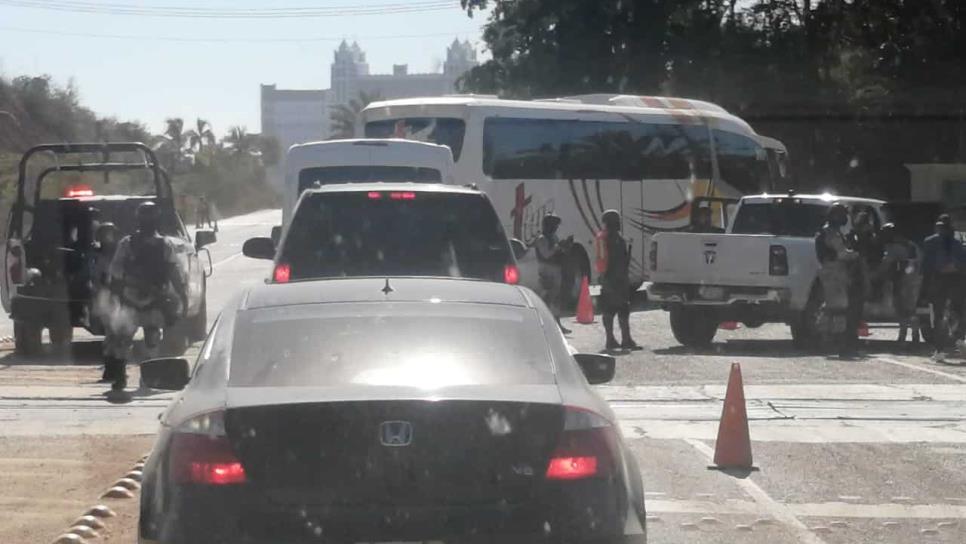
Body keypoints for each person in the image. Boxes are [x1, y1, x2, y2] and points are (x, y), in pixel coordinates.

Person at [102, 202, 188, 391]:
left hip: (143, 299)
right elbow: (175, 273)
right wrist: (182, 295)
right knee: (140, 340)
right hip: (141, 300)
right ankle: (127, 378)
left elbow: (115, 272)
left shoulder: (130, 243)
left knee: (137, 340)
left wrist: (116, 293)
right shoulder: (160, 244)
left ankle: (128, 378)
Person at [815, 203, 861, 356]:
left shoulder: (830, 231)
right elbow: (841, 254)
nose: (845, 218)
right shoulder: (831, 232)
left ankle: (826, 340)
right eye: (842, 215)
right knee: (839, 307)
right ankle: (837, 343)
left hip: (832, 271)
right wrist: (856, 254)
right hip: (834, 271)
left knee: (829, 307)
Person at [595, 209, 641, 352]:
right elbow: (618, 260)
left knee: (610, 310)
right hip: (616, 279)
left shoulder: (605, 238)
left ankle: (612, 340)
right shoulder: (614, 239)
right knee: (622, 309)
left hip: (609, 278)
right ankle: (624, 340)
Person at [921, 214, 966, 361]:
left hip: (938, 283)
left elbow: (926, 266)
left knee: (939, 316)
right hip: (955, 282)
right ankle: (958, 338)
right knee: (956, 313)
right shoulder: (957, 243)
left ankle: (940, 349)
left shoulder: (930, 242)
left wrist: (924, 287)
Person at [875, 223, 921, 344]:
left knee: (902, 310)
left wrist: (874, 275)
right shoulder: (911, 244)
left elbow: (886, 264)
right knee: (911, 309)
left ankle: (903, 336)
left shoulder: (893, 247)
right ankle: (915, 335)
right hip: (915, 280)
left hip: (902, 281)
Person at [533, 213, 573, 334]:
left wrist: (565, 245)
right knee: (547, 300)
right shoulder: (542, 239)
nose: (556, 228)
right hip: (546, 272)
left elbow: (558, 251)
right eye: (554, 225)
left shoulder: (553, 237)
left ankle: (557, 325)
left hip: (556, 270)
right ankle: (543, 326)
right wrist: (557, 247)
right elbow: (546, 254)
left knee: (556, 299)